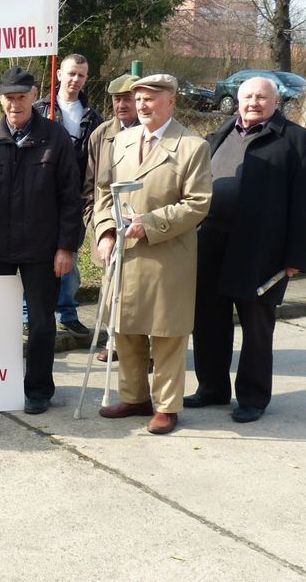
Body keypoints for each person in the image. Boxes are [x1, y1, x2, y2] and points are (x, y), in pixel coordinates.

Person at [187, 76, 306, 423]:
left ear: (276, 102)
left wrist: (296, 257)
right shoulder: (218, 135)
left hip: (262, 253)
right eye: (247, 96)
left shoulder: (301, 143)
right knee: (207, 320)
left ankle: (252, 397)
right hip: (211, 245)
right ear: (236, 99)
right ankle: (211, 388)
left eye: (262, 97)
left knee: (256, 328)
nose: (253, 102)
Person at [94, 73, 211, 435]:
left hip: (166, 254)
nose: (142, 106)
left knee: (166, 333)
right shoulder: (122, 141)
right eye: (139, 99)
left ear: (171, 102)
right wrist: (104, 232)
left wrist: (147, 223)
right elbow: (102, 192)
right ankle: (134, 397)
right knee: (126, 328)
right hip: (124, 254)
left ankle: (166, 406)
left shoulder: (191, 146)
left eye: (150, 99)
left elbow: (197, 204)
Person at [0, 67, 82, 415]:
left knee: (42, 322)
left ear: (34, 97)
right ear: (0, 99)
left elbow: (70, 197)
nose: (15, 104)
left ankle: (39, 388)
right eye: (9, 98)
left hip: (42, 248)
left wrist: (66, 246)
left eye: (21, 97)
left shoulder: (55, 137)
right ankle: (0, 384)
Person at [35, 54, 104, 346]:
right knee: (36, 258)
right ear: (59, 74)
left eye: (81, 75)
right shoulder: (40, 110)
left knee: (69, 256)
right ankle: (31, 315)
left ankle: (67, 311)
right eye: (71, 73)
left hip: (74, 197)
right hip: (40, 196)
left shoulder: (93, 117)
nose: (75, 80)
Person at [84, 73, 140, 362]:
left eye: (128, 98)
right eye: (117, 99)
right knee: (111, 289)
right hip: (108, 227)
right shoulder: (101, 135)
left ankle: (147, 348)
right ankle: (114, 341)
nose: (122, 104)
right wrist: (96, 225)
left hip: (143, 226)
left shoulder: (154, 133)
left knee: (142, 291)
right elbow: (90, 187)